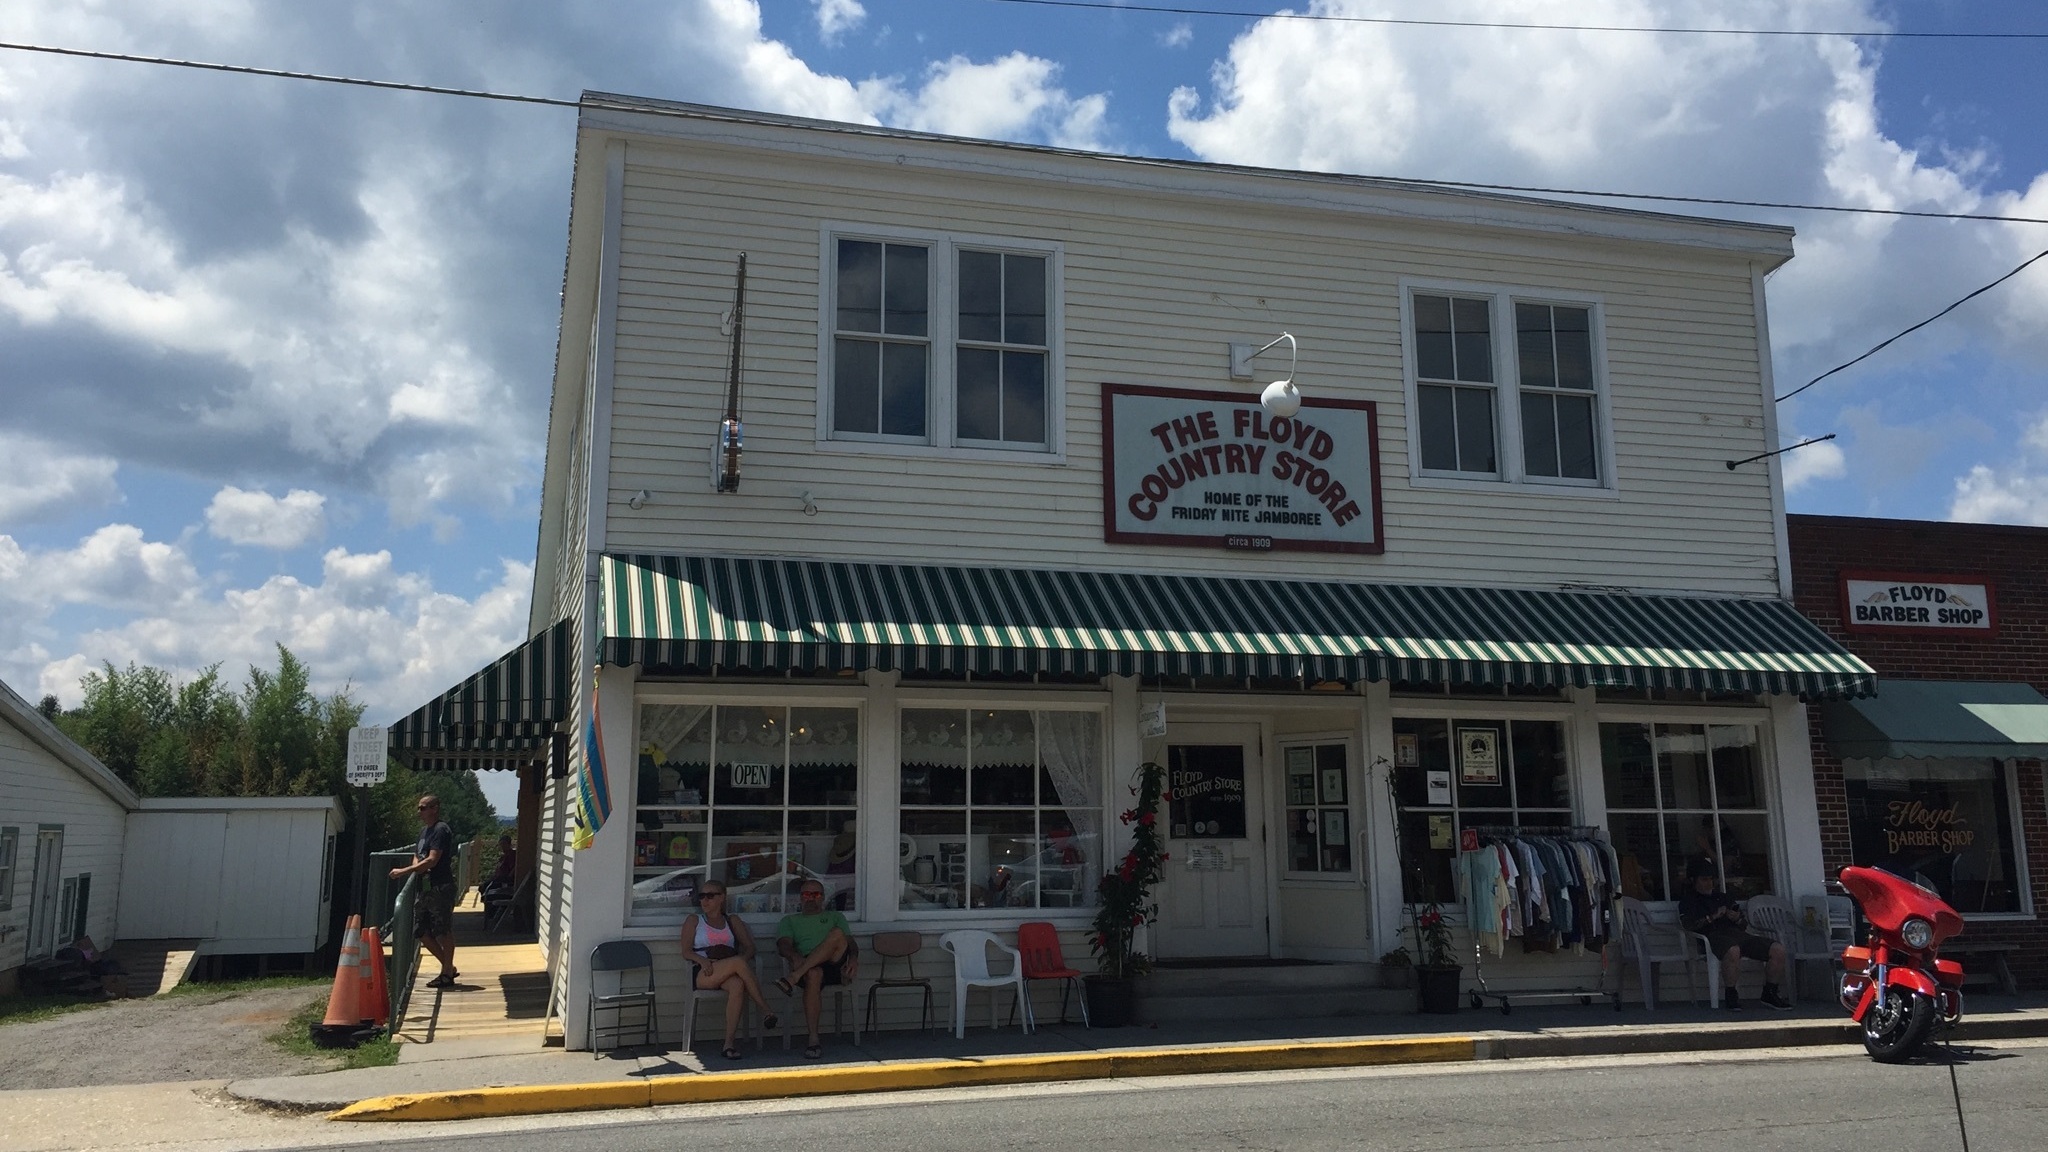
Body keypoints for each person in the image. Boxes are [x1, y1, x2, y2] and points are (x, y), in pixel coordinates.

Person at [679, 883, 777, 1060]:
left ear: (722, 897)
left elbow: (749, 948)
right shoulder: (695, 920)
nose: (705, 900)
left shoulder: (732, 921)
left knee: (738, 984)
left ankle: (729, 1044)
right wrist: (702, 960)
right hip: (704, 971)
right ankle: (765, 1009)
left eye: (710, 896)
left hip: (729, 969)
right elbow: (686, 951)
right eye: (701, 896)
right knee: (738, 963)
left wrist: (739, 963)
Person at [1677, 856, 1790, 1011]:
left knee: (1778, 949)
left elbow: (1744, 924)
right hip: (1712, 937)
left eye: (1711, 879)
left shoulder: (1724, 896)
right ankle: (1731, 994)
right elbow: (1689, 925)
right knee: (1733, 949)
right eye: (1704, 879)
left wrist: (1736, 918)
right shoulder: (1688, 901)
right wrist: (1712, 917)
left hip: (1738, 934)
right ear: (1693, 880)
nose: (1709, 883)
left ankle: (1770, 992)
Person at [774, 879, 859, 1058]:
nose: (810, 898)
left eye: (816, 894)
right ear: (800, 898)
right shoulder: (790, 920)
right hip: (807, 967)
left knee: (837, 934)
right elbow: (783, 945)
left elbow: (850, 942)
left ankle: (793, 977)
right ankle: (813, 1040)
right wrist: (795, 957)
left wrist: (854, 958)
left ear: (823, 898)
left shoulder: (835, 917)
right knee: (813, 973)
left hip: (835, 964)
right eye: (806, 894)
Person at [389, 794, 459, 987]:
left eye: (423, 807)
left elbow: (432, 859)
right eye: (419, 808)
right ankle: (448, 966)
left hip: (440, 886)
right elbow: (418, 856)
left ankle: (446, 973)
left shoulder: (440, 830)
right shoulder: (423, 832)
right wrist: (416, 868)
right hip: (425, 887)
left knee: (443, 930)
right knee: (421, 931)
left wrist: (405, 871)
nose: (419, 812)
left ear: (435, 808)